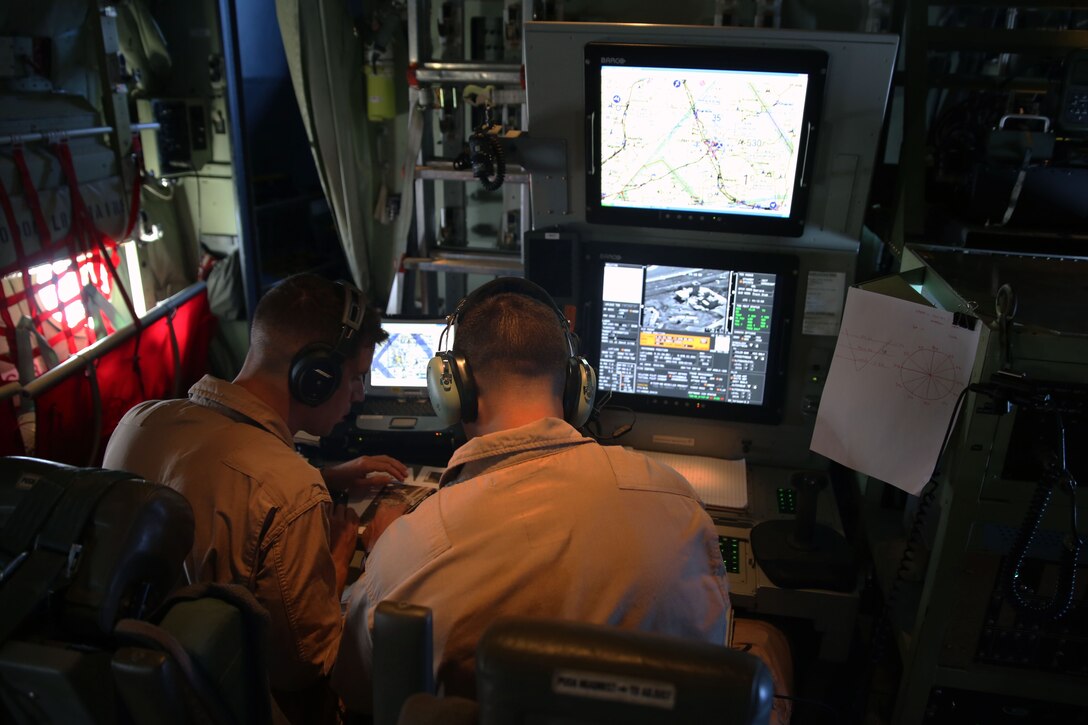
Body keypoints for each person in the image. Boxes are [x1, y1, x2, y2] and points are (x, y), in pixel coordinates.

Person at [332, 278, 731, 713]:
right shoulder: (678, 501)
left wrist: (378, 558)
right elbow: (712, 650)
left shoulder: (409, 553)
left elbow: (354, 688)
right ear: (577, 387)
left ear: (452, 391)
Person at [103, 272, 408, 723]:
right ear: (316, 378)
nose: (360, 394)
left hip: (127, 690)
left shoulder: (142, 419)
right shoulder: (289, 490)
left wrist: (325, 478)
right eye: (357, 377)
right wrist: (343, 561)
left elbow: (212, 484)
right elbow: (308, 668)